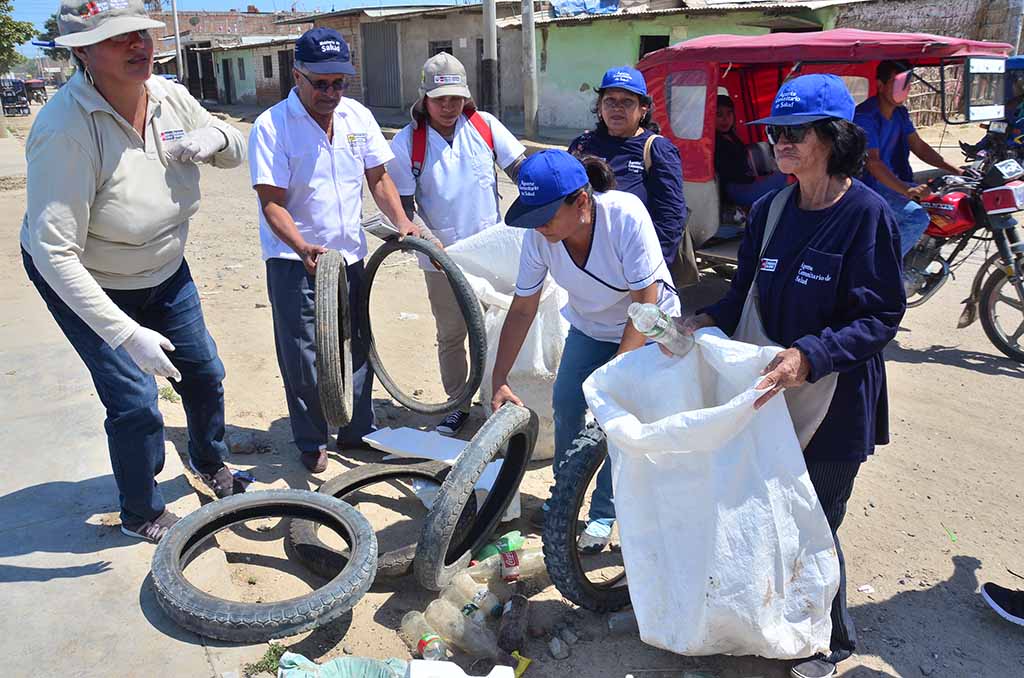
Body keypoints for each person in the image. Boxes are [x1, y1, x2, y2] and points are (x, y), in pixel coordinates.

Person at [679, 75, 906, 678]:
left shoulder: (866, 215)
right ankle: (765, 621)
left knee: (813, 523)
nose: (778, 142)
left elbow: (880, 315)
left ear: (832, 138)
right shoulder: (770, 209)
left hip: (834, 400)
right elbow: (742, 295)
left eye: (792, 132)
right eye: (773, 132)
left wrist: (812, 355)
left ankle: (830, 642)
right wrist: (697, 321)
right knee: (763, 514)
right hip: (771, 391)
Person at [21, 0, 247, 542]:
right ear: (81, 52)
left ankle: (208, 460)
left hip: (164, 267)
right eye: (118, 38)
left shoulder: (170, 96)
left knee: (204, 371)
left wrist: (217, 137)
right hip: (87, 278)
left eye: (140, 33)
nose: (138, 45)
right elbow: (55, 254)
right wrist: (125, 334)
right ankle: (141, 510)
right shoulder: (65, 131)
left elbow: (236, 146)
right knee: (135, 402)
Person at [248, 28, 420, 473]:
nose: (330, 93)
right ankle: (311, 438)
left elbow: (378, 179)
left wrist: (401, 222)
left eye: (339, 83)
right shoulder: (272, 127)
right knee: (304, 354)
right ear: (297, 75)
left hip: (349, 255)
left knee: (356, 342)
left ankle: (356, 428)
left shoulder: (357, 118)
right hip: (296, 260)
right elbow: (271, 202)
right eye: (320, 83)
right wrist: (303, 245)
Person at [491, 150, 680, 551]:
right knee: (566, 402)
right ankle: (565, 498)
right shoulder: (540, 237)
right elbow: (523, 306)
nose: (538, 225)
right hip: (592, 326)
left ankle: (604, 512)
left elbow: (645, 300)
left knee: (615, 419)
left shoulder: (623, 216)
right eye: (532, 216)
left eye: (545, 215)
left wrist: (620, 372)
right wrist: (499, 378)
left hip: (648, 326)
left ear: (580, 201)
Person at [387, 52, 526, 437]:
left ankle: (497, 397)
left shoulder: (485, 127)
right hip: (440, 261)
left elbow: (521, 171)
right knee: (452, 335)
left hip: (491, 257)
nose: (449, 106)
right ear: (424, 99)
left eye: (455, 98)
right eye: (440, 99)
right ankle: (457, 404)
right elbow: (402, 205)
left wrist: (527, 215)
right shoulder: (407, 142)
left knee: (498, 329)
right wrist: (430, 242)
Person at [568, 66, 687, 266]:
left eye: (627, 102)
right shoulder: (582, 144)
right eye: (610, 101)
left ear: (643, 109)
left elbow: (671, 217)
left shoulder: (657, 149)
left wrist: (651, 267)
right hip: (584, 256)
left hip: (631, 259)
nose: (617, 108)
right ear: (599, 107)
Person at [855, 60, 962, 259]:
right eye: (900, 84)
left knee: (941, 208)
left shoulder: (900, 114)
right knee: (916, 218)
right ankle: (880, 272)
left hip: (895, 182)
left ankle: (917, 258)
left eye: (907, 84)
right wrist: (907, 190)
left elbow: (919, 146)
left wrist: (955, 170)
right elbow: (873, 162)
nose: (906, 90)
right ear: (880, 85)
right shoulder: (865, 116)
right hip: (869, 187)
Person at [714, 94, 788, 208]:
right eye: (719, 114)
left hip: (747, 184)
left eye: (729, 113)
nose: (725, 119)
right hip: (736, 192)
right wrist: (754, 179)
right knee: (786, 176)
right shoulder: (715, 143)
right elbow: (728, 173)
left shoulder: (731, 136)